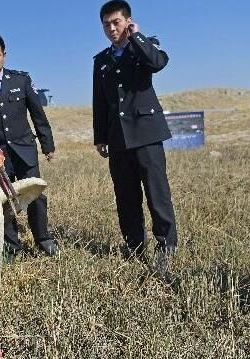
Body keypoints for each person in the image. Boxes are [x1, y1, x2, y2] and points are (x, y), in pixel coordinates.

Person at [92, 0, 177, 277]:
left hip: (147, 135)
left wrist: (136, 36)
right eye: (106, 24)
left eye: (116, 22)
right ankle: (134, 247)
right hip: (118, 140)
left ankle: (165, 247)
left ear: (127, 21)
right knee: (126, 197)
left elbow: (158, 63)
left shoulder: (144, 46)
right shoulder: (101, 60)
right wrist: (101, 136)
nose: (111, 28)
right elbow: (100, 102)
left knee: (157, 194)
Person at [0, 32, 58, 261]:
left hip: (25, 150)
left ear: (4, 55)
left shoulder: (21, 80)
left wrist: (47, 144)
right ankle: (11, 246)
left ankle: (43, 238)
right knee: (2, 201)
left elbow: (38, 114)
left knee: (36, 195)